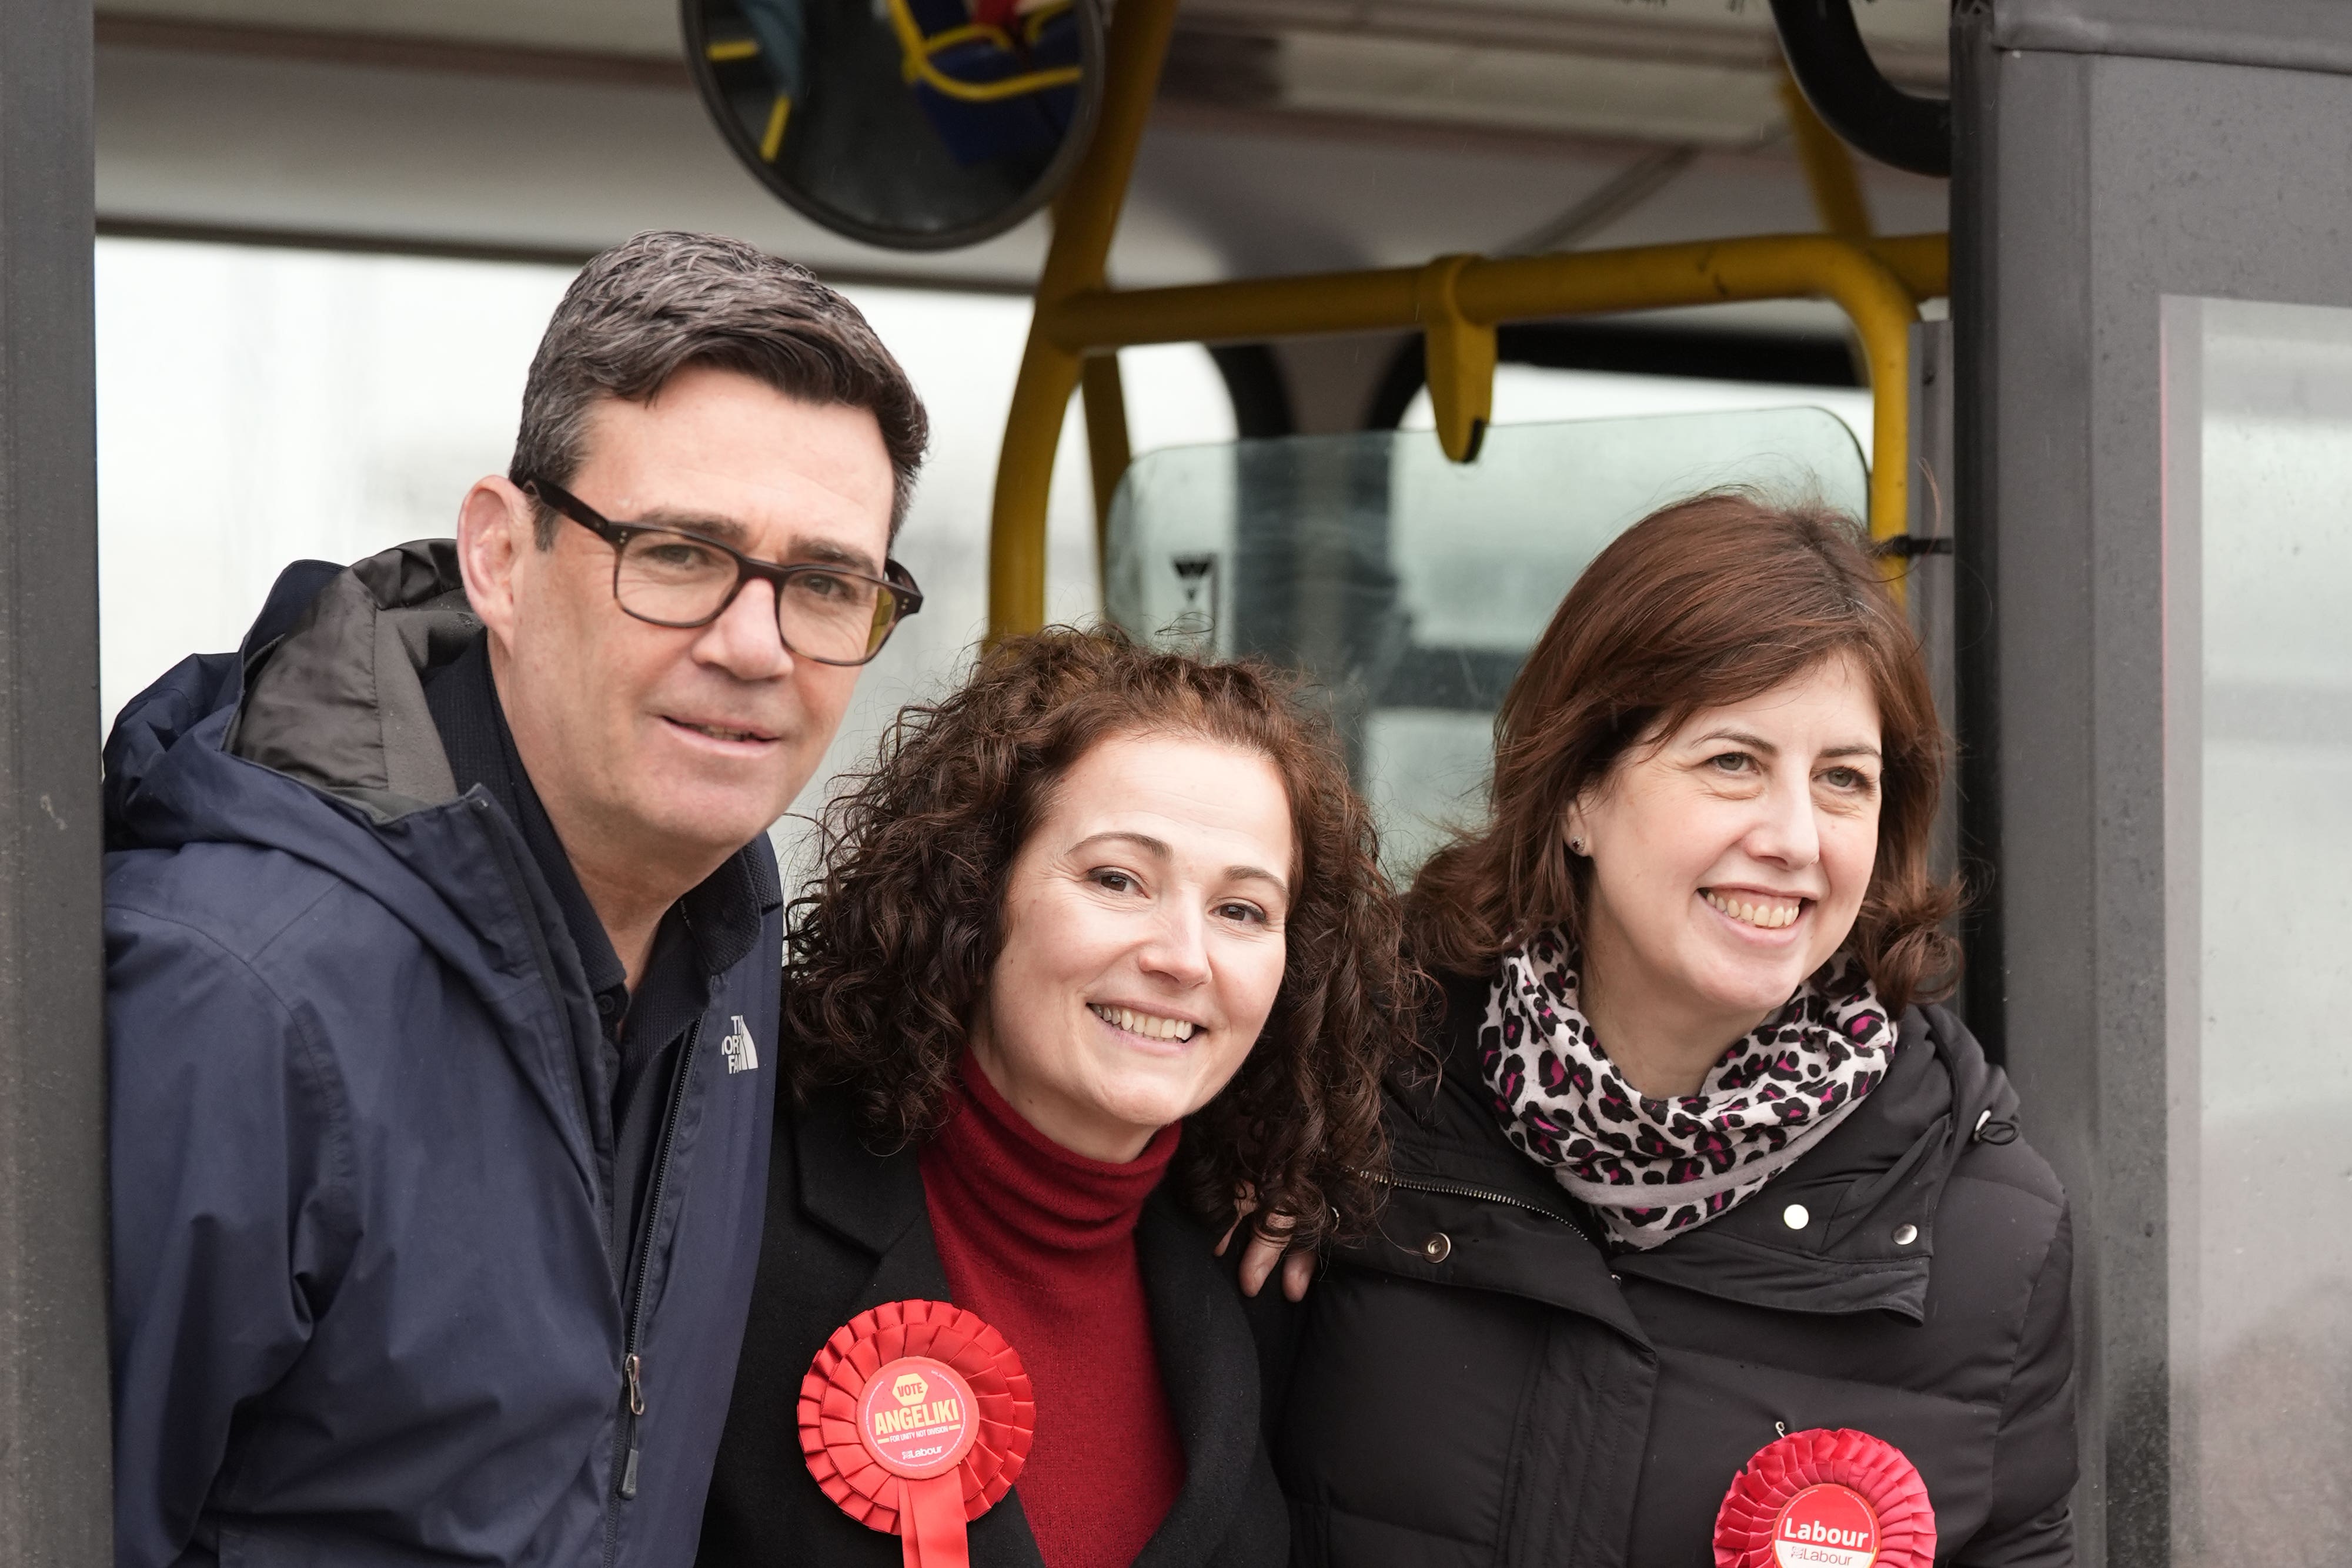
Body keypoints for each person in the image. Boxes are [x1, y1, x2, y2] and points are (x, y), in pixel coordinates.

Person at [105, 231, 929, 1568]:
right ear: (498, 553)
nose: (753, 644)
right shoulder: (234, 993)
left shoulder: (731, 914)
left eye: (826, 583)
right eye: (676, 553)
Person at [1259, 494, 2076, 1566]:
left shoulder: (1989, 1234)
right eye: (1732, 761)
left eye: (1844, 780)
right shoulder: (1342, 1094)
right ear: (1578, 795)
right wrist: (1240, 1135)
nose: (1793, 838)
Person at [696, 628, 1421, 1568]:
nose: (1182, 957)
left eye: (1241, 910)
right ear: (975, 892)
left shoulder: (1265, 1273)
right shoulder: (734, 1200)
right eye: (1118, 879)